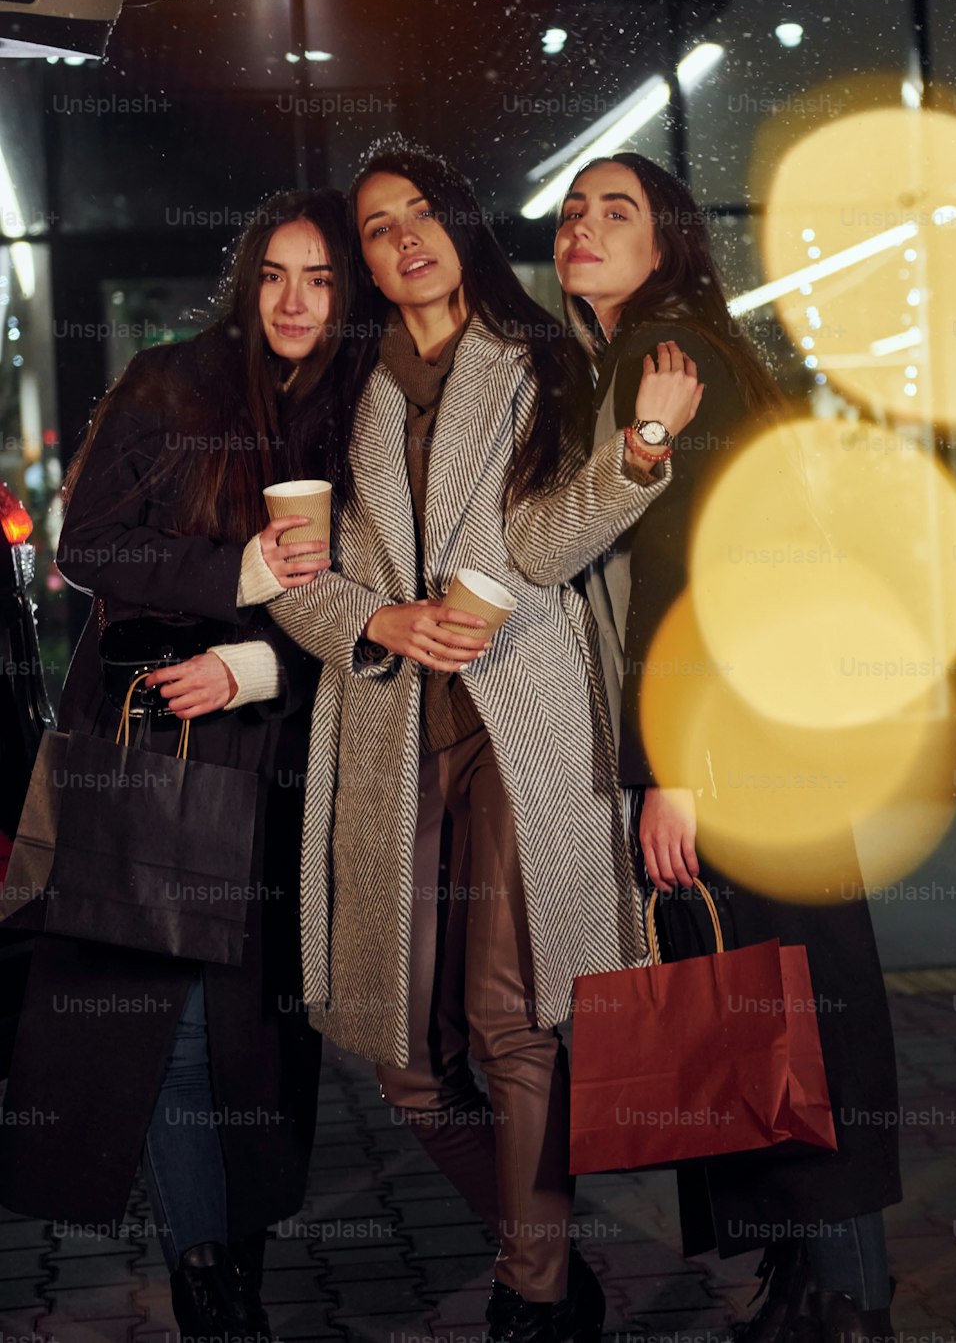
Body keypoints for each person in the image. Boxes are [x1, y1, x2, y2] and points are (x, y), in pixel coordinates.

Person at [243, 137, 703, 1343]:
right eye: (379, 227)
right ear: (369, 262)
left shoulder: (538, 361)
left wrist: (639, 454)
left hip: (521, 721)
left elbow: (549, 546)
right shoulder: (335, 393)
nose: (403, 238)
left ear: (457, 227)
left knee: (511, 1022)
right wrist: (380, 616)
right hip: (389, 736)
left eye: (420, 213)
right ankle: (539, 1253)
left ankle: (536, 1296)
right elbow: (295, 583)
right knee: (400, 1055)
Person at [555, 151, 902, 1343]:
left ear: (668, 244)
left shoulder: (671, 356)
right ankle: (814, 1285)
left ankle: (846, 1302)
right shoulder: (648, 355)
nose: (583, 228)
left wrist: (670, 771)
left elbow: (689, 571)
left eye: (617, 212)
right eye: (571, 212)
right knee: (780, 1001)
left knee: (790, 1001)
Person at [0, 190, 347, 1343]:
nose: (296, 302)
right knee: (171, 1018)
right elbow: (88, 548)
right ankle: (207, 1275)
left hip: (281, 752)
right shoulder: (169, 384)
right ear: (245, 283)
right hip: (148, 745)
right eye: (276, 276)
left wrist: (257, 671)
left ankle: (227, 1253)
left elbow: (375, 611)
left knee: (260, 1038)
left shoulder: (361, 410)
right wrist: (235, 575)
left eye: (322, 280)